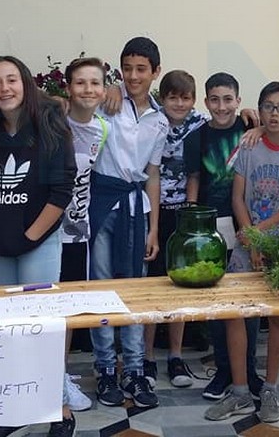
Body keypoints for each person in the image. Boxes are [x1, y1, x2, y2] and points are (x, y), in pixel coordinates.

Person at [0, 55, 78, 437]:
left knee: (41, 327)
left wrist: (30, 237)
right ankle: (13, 407)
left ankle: (59, 410)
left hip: (38, 244)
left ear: (25, 83)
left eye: (11, 79)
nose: (4, 88)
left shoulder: (50, 124)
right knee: (6, 329)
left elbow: (61, 191)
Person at [205, 81, 279, 424]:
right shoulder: (249, 145)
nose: (274, 113)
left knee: (277, 316)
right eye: (268, 106)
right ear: (260, 109)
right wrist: (251, 237)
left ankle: (269, 388)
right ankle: (240, 391)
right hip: (247, 241)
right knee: (236, 313)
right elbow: (238, 197)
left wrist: (261, 235)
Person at [87, 36, 168, 409]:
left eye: (141, 69)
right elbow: (66, 105)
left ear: (155, 72)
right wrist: (106, 91)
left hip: (137, 209)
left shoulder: (159, 120)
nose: (133, 76)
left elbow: (153, 174)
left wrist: (154, 227)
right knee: (101, 287)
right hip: (102, 203)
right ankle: (105, 367)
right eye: (127, 69)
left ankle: (134, 370)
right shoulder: (107, 104)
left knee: (134, 289)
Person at [184, 72, 265, 402]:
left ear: (238, 101)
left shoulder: (250, 128)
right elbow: (193, 178)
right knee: (218, 300)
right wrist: (191, 217)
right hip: (211, 226)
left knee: (248, 299)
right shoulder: (196, 137)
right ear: (206, 102)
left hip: (247, 222)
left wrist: (258, 124)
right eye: (215, 100)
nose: (222, 106)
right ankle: (223, 370)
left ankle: (249, 371)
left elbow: (272, 134)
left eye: (228, 99)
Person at [142, 69, 208, 389]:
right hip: (152, 212)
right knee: (153, 285)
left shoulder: (201, 124)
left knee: (180, 284)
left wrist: (252, 118)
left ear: (193, 100)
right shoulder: (151, 120)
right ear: (162, 97)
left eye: (185, 98)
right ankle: (147, 356)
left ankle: (176, 355)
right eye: (173, 97)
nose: (179, 104)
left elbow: (232, 122)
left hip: (185, 214)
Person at [57, 56, 111, 413]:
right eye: (80, 82)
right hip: (44, 232)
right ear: (68, 88)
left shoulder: (103, 129)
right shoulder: (54, 121)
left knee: (69, 306)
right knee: (45, 306)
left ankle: (59, 374)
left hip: (78, 233)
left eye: (95, 83)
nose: (88, 89)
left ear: (104, 90)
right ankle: (45, 379)